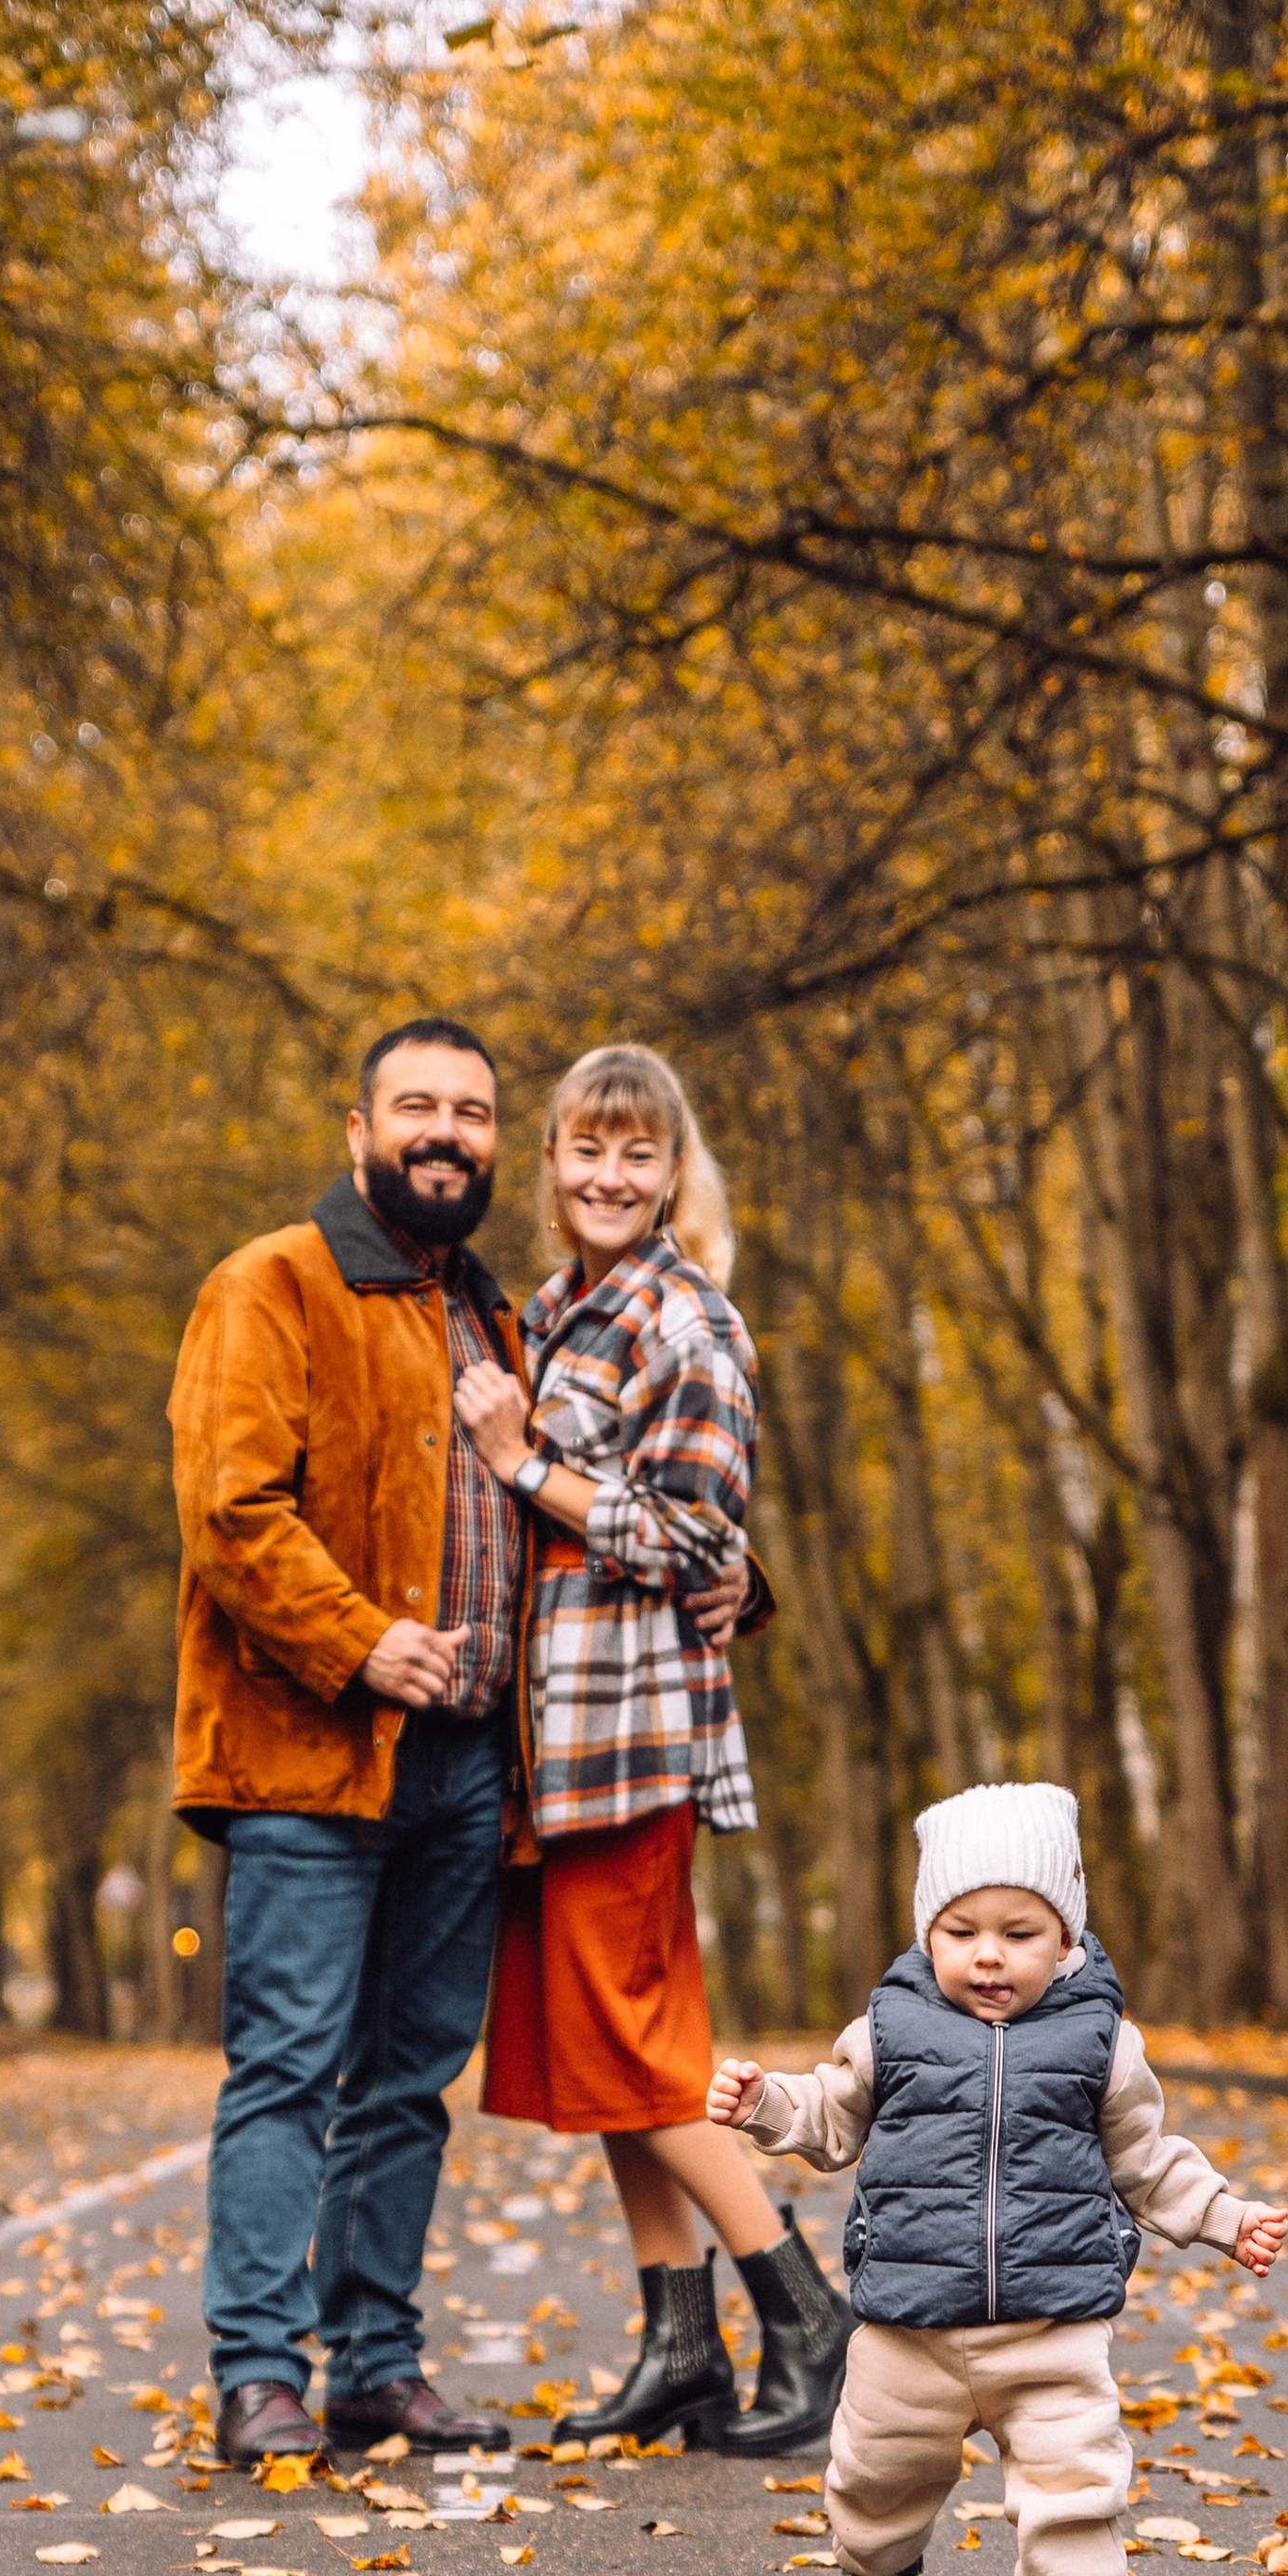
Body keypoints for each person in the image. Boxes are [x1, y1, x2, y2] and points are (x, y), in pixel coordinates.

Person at [167, 1017, 747, 2470]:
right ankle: (258, 2371)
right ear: (356, 1130)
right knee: (290, 2066)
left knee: (408, 2080)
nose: (446, 1131)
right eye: (416, 1107)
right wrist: (359, 1641)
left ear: (502, 1145)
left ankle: (374, 2363)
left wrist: (745, 1579)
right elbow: (233, 1514)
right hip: (310, 1755)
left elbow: (618, 1499)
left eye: (472, 1112)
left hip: (475, 1767)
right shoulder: (273, 1285)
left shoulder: (497, 1312)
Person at [450, 1043, 853, 2458]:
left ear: (675, 1172)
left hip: (630, 1743)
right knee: (617, 2055)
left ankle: (810, 2316)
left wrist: (523, 1467)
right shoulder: (552, 1311)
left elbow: (695, 1538)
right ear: (551, 1164)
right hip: (550, 1752)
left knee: (637, 2048)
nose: (610, 1176)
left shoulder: (688, 1321)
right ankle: (682, 2343)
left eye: (639, 1154)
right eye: (586, 1150)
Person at [708, 1778, 1288, 2576]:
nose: (989, 1957)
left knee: (1075, 2464)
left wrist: (1223, 2214)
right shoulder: (887, 2031)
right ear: (925, 1935)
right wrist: (762, 2103)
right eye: (961, 1933)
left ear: (1064, 1940)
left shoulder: (1103, 2043)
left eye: (1018, 1934)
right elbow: (829, 2117)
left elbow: (1144, 2157)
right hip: (910, 2319)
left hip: (1052, 2319)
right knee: (877, 2469)